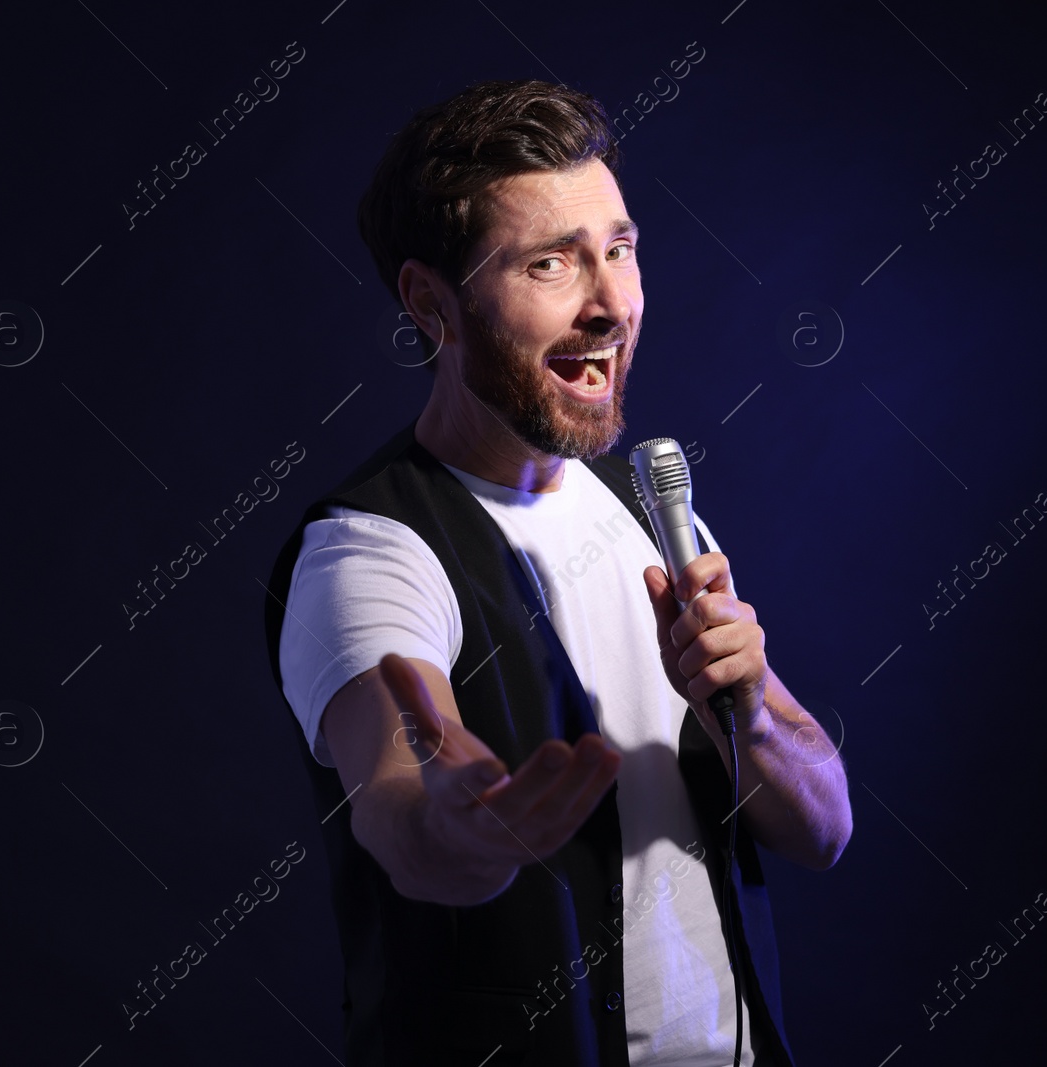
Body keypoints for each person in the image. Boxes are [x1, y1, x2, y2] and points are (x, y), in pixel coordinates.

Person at [263, 79, 852, 1067]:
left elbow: (823, 827)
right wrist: (460, 829)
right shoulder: (367, 550)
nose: (609, 305)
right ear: (429, 303)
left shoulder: (654, 512)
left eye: (618, 250)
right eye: (549, 263)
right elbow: (398, 803)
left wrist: (743, 710)